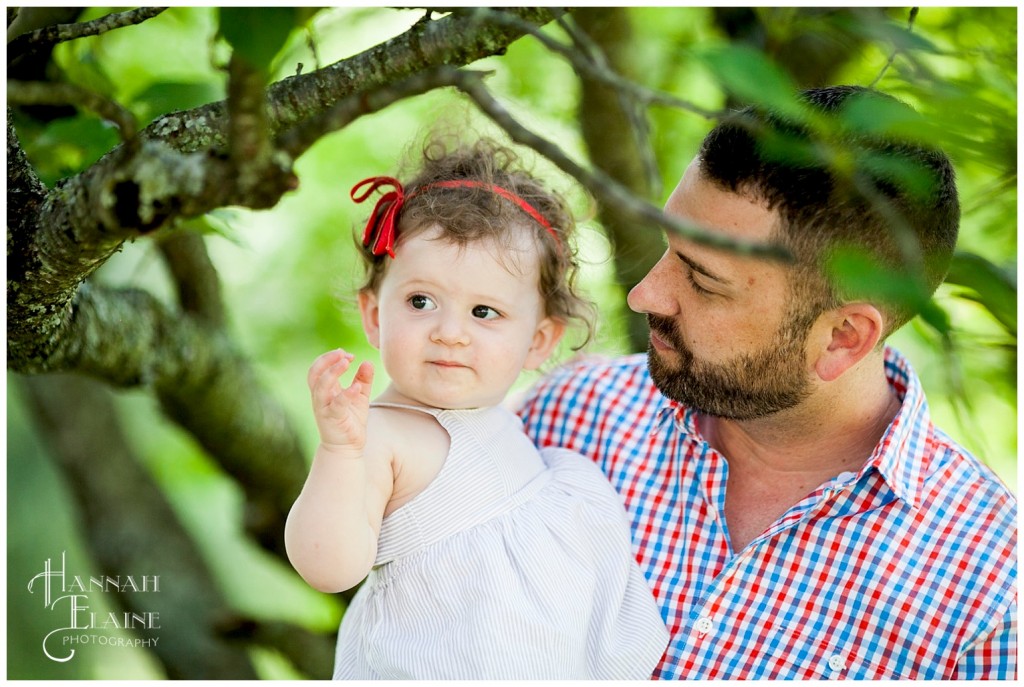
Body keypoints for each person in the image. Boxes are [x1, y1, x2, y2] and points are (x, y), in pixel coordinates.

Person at [517, 85, 1017, 680]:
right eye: (667, 246)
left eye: (703, 281)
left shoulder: (994, 589)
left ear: (842, 338)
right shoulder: (569, 417)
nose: (644, 294)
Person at [284, 136, 669, 679]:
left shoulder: (511, 424)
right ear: (375, 315)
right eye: (420, 302)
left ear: (538, 341)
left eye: (484, 312)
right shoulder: (381, 437)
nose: (450, 334)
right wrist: (339, 451)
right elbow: (327, 566)